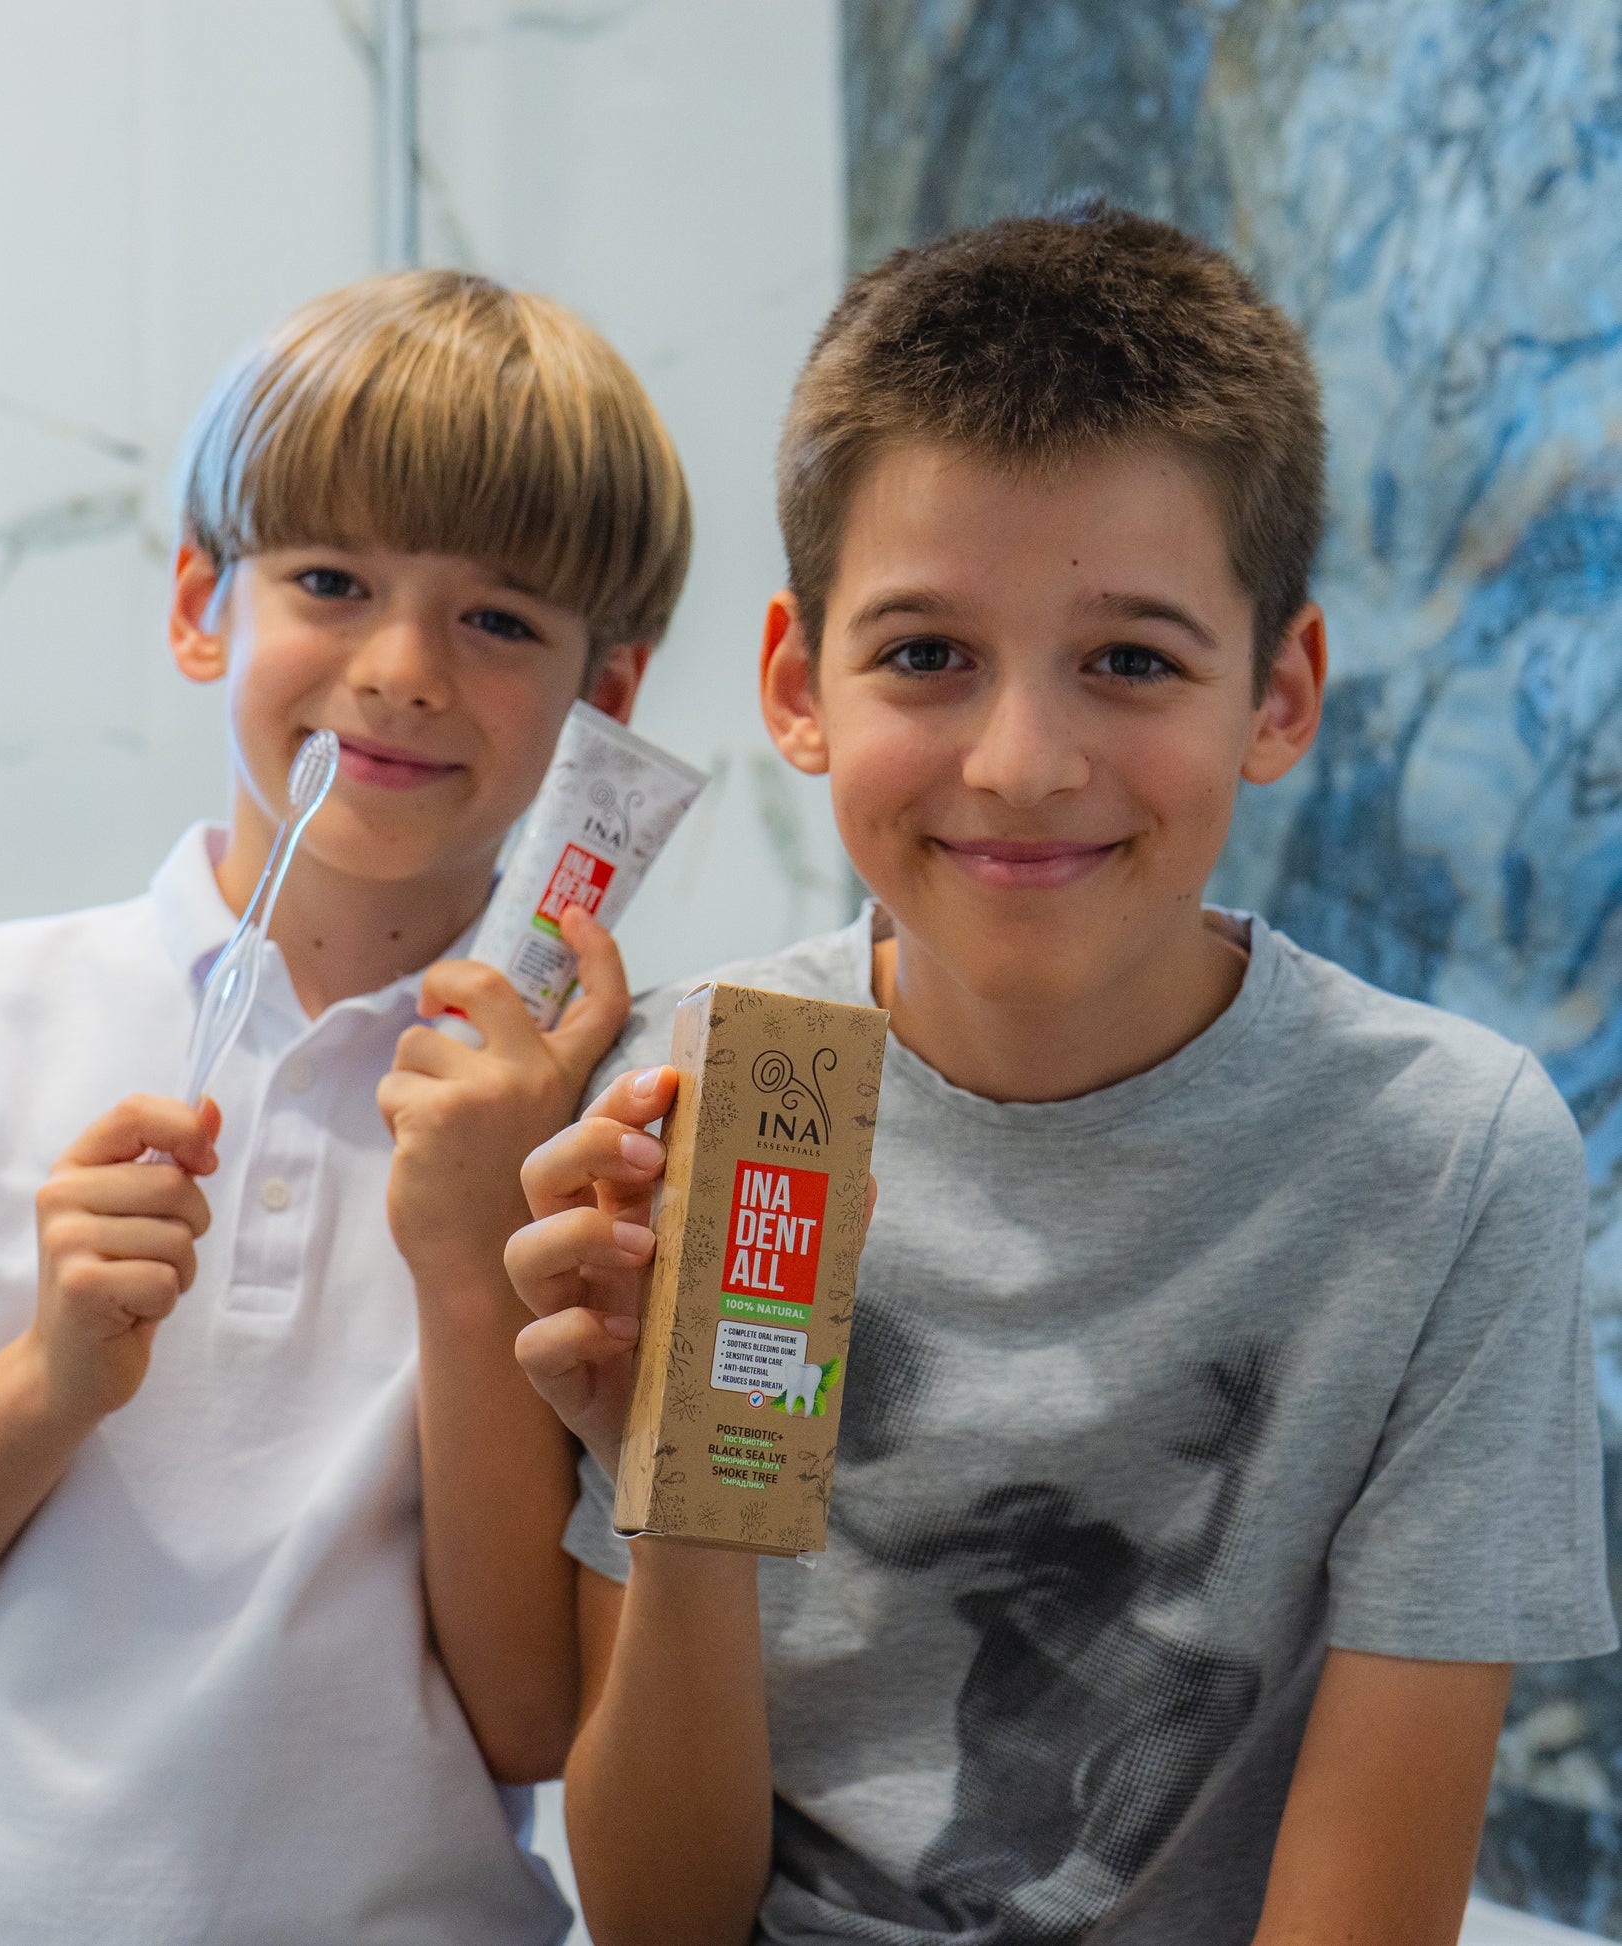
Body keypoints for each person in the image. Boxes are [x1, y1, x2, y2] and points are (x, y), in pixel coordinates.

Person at [497, 207, 1617, 1946]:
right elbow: (658, 1919)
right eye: (925, 654)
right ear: (797, 684)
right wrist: (684, 1493)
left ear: (1278, 693)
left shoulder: (1445, 1160)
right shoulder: (692, 1096)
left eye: (1131, 660)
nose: (1021, 763)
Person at [0, 269, 690, 1946]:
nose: (399, 668)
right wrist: (47, 1379)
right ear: (201, 605)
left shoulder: (607, 1099)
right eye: (330, 581)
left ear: (601, 697)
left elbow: (525, 1720)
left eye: (498, 620)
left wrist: (469, 1251)